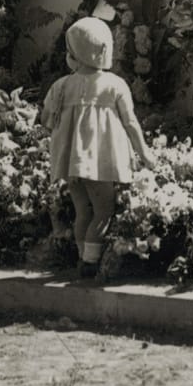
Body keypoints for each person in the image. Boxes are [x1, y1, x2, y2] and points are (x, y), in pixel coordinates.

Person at [41, 16, 154, 280]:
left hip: (72, 163)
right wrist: (144, 153)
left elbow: (47, 120)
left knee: (83, 211)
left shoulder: (61, 86)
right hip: (99, 161)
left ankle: (83, 256)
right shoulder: (114, 85)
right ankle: (89, 263)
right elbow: (131, 123)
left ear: (74, 55)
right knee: (103, 212)